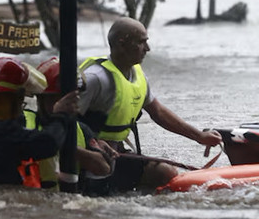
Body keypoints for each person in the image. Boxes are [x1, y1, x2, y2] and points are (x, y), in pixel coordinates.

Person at [77, 17, 222, 194]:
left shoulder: (137, 74)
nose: (147, 49)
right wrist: (93, 141)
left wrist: (199, 136)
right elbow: (65, 119)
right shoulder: (95, 78)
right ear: (122, 44)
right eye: (141, 42)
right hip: (89, 156)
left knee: (165, 173)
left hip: (118, 152)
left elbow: (158, 112)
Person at [0, 57, 78, 187]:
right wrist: (60, 115)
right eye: (20, 100)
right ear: (9, 100)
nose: (22, 106)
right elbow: (48, 143)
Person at [26, 57, 119, 189]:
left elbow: (103, 168)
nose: (64, 104)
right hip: (35, 199)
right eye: (55, 99)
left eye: (69, 99)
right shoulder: (23, 122)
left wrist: (71, 149)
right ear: (41, 98)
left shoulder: (80, 129)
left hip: (69, 200)